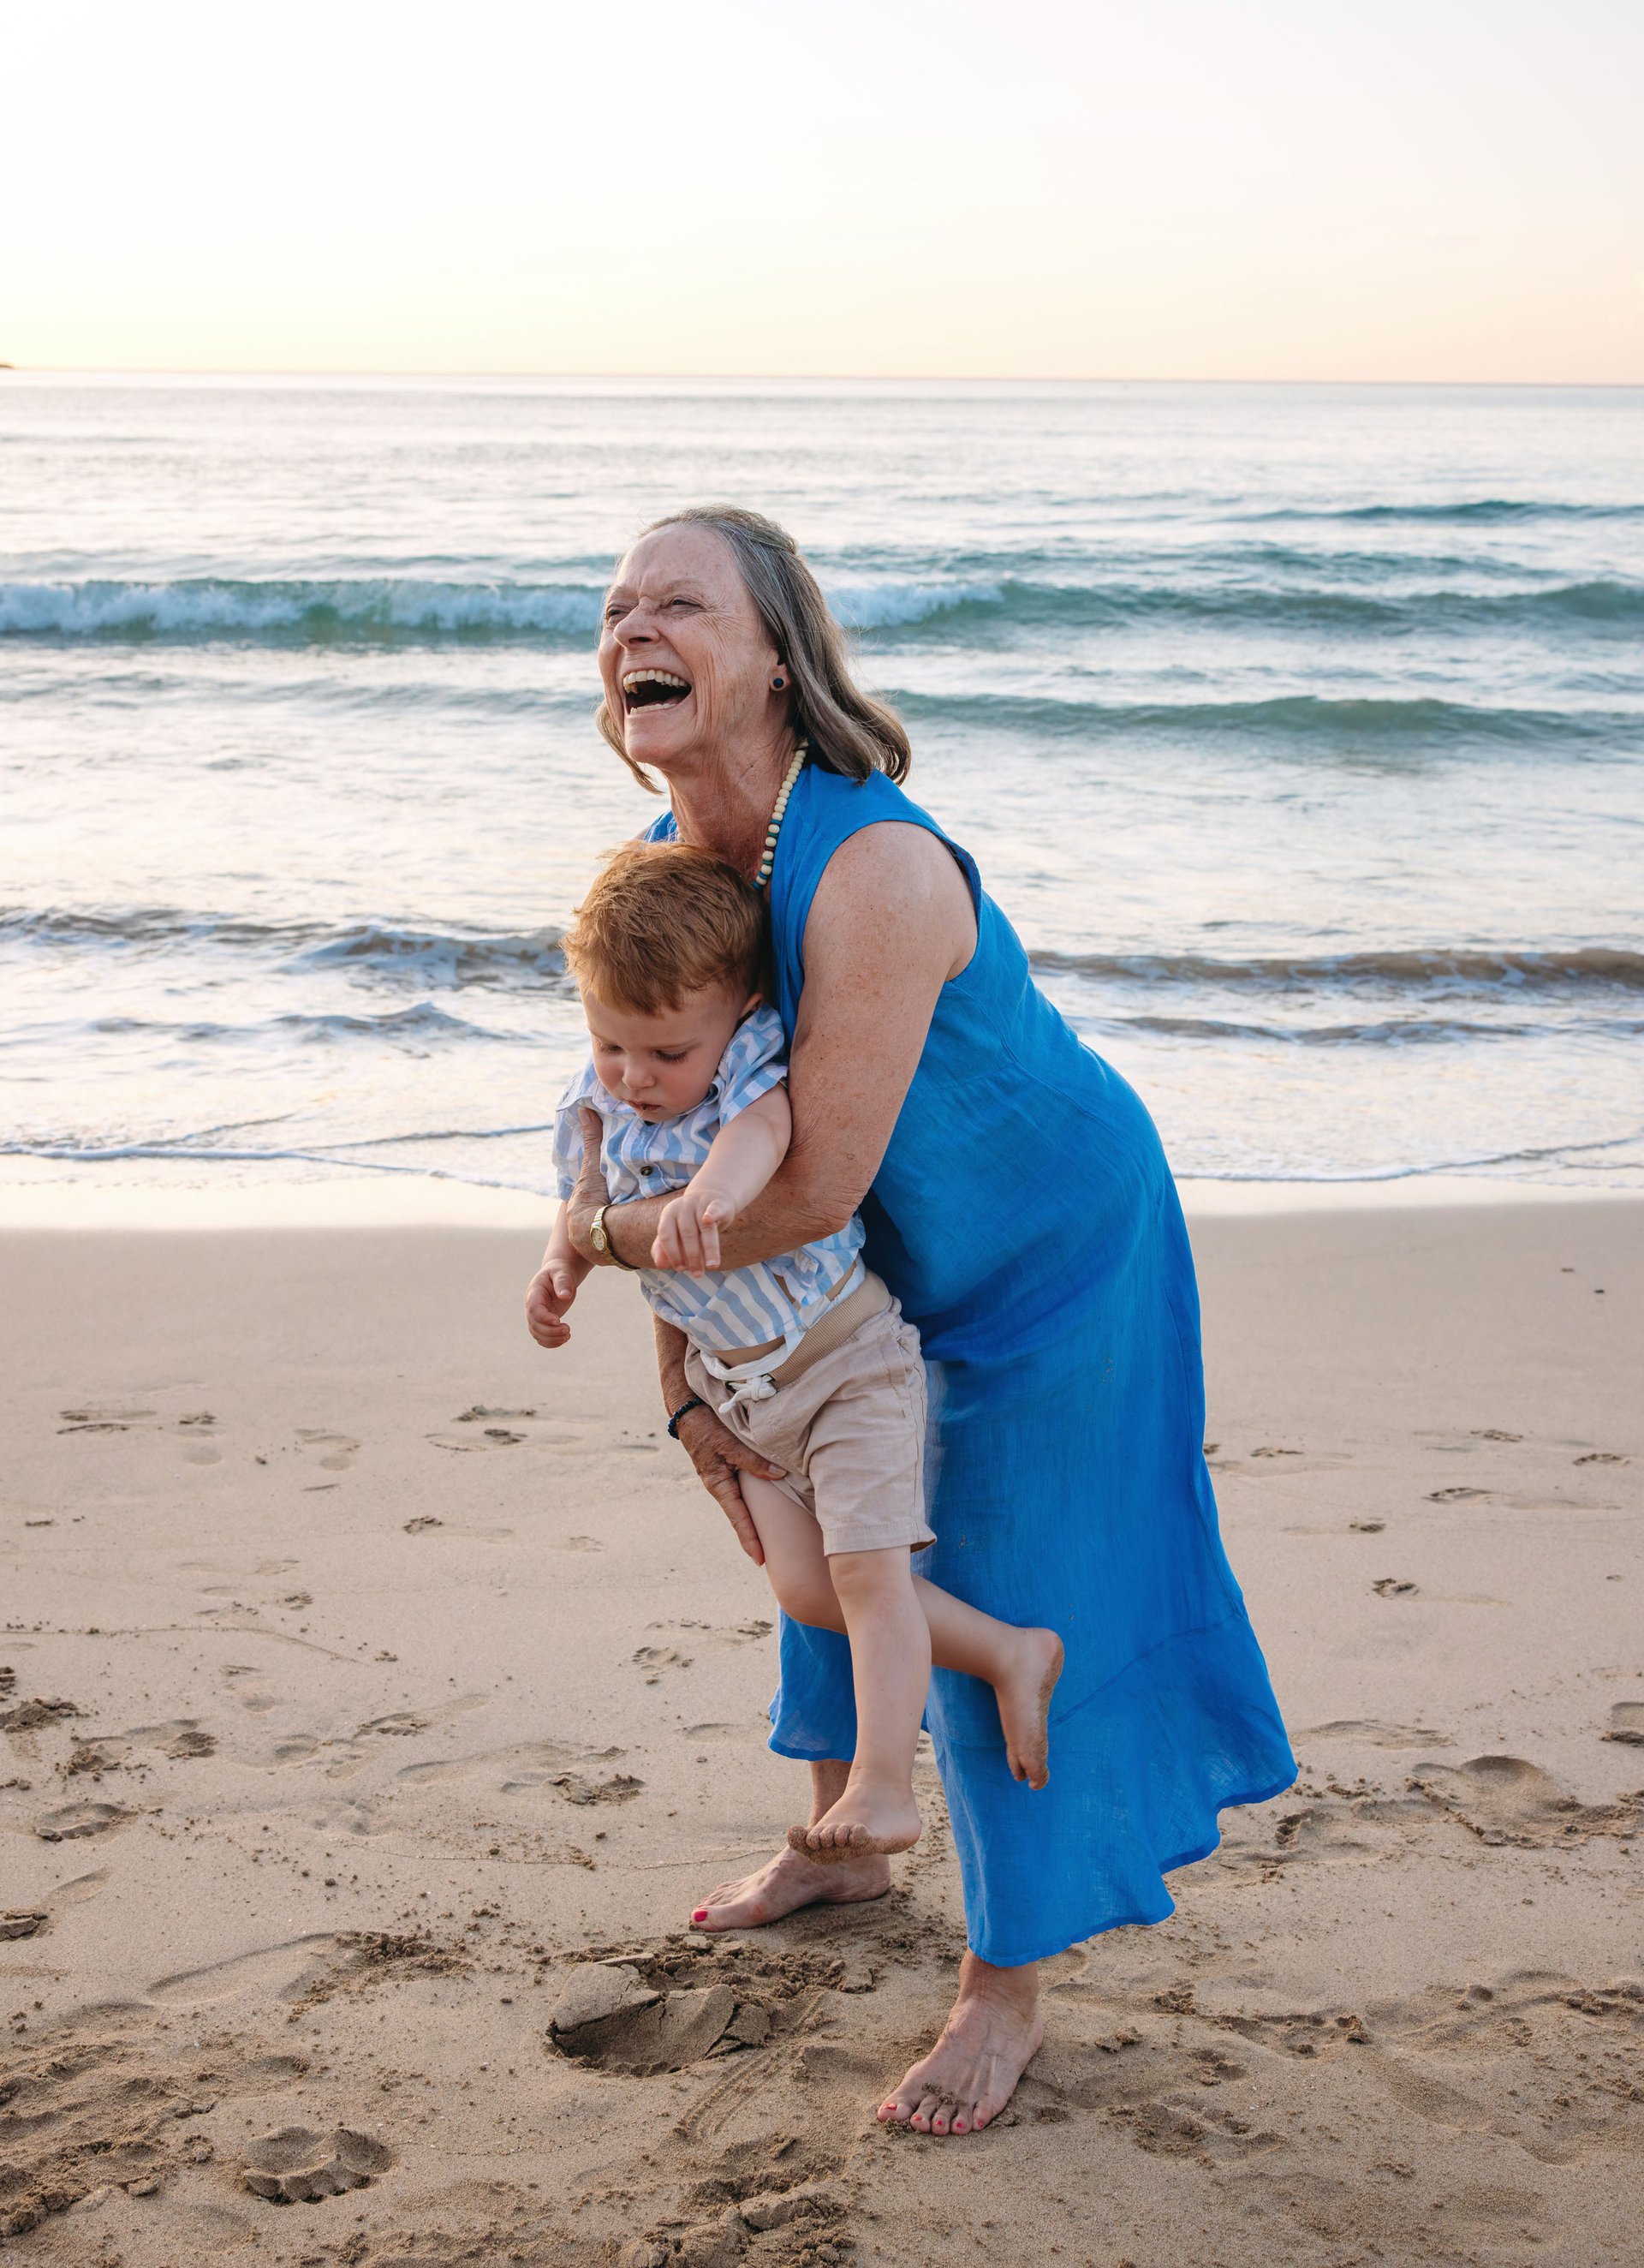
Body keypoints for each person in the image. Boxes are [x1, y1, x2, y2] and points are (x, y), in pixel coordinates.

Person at [540, 504, 1296, 2139]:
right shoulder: (679, 867)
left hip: (1050, 1244)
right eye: (614, 609)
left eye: (679, 603)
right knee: (821, 1533)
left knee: (995, 1572)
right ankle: (844, 1852)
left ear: (776, 659)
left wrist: (593, 1248)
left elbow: (803, 1183)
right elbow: (671, 1138)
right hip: (862, 1268)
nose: (632, 628)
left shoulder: (873, 864)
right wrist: (693, 1391)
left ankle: (1002, 1987)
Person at [528, 839, 1064, 1864]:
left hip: (848, 1368)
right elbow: (581, 1206)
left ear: (736, 1015)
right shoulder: (597, 1108)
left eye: (666, 1053)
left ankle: (883, 1786)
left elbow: (766, 1134)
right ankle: (1009, 1651)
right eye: (610, 1043)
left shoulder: (745, 1074)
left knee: (866, 1574)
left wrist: (715, 1196)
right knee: (804, 1588)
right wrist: (560, 1266)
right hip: (743, 1397)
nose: (636, 1076)